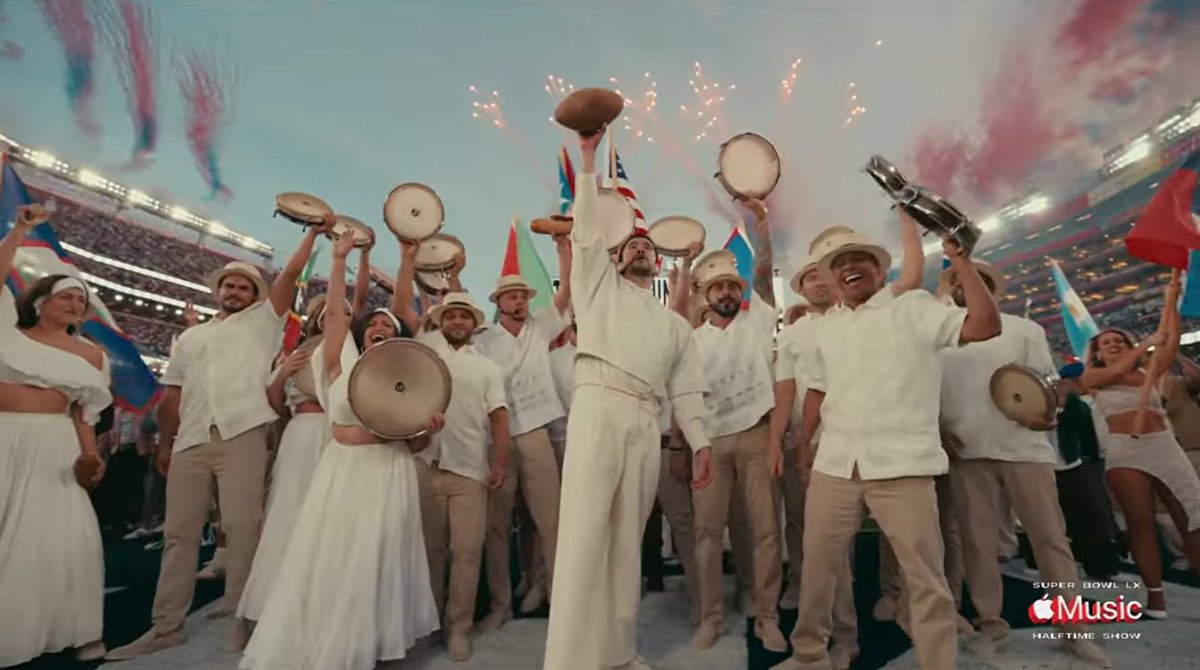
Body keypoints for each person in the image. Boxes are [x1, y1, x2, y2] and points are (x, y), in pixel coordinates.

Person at [774, 229, 1001, 670]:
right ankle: (809, 656)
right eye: (838, 263)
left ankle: (938, 664)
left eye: (860, 259)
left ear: (881, 270)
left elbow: (984, 326)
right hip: (835, 463)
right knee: (817, 570)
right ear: (831, 278)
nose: (849, 267)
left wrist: (963, 265)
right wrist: (804, 446)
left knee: (925, 579)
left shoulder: (913, 308)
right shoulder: (824, 329)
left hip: (904, 463)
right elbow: (818, 391)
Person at [106, 215, 330, 660]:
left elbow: (287, 274)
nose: (234, 292)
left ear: (255, 297)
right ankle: (165, 626)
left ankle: (240, 619)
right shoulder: (189, 338)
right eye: (228, 286)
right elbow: (173, 393)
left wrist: (313, 233)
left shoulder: (265, 324)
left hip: (243, 434)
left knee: (243, 528)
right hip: (190, 438)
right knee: (179, 534)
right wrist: (166, 443)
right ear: (217, 292)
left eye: (244, 287)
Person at [543, 124, 714, 670]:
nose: (640, 249)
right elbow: (588, 234)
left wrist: (702, 442)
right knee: (583, 538)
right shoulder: (597, 289)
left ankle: (616, 655)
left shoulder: (676, 328)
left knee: (624, 547)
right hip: (596, 408)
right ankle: (569, 662)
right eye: (632, 245)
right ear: (617, 261)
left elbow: (686, 389)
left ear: (658, 264)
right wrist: (588, 159)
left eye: (647, 247)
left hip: (646, 426)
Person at [240, 232, 442, 669]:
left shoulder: (411, 376)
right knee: (337, 558)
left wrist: (428, 428)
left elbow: (419, 442)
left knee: (378, 560)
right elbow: (333, 316)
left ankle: (368, 645)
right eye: (373, 324)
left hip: (391, 473)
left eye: (389, 326)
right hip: (345, 473)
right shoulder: (340, 362)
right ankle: (326, 643)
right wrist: (337, 261)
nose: (380, 328)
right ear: (360, 333)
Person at [939, 261, 1110, 667]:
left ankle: (1074, 631)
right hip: (967, 453)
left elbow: (1050, 385)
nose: (966, 285)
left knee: (1050, 539)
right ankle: (991, 626)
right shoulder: (939, 336)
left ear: (990, 287)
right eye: (958, 280)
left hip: (1024, 448)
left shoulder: (1024, 329)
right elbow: (929, 392)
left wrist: (1050, 409)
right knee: (979, 546)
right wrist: (942, 433)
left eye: (975, 279)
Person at [0, 205, 112, 666]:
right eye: (67, 296)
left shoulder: (91, 355)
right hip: (4, 439)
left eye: (81, 301)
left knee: (62, 541)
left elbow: (83, 415)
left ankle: (76, 628)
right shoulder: (7, 333)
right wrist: (21, 229)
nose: (75, 304)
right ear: (41, 299)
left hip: (53, 448)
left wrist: (91, 461)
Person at [688, 200, 786, 652]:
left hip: (756, 433)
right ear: (705, 295)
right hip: (709, 442)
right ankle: (710, 617)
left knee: (767, 530)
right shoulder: (690, 340)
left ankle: (766, 616)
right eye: (717, 287)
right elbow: (682, 397)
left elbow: (764, 271)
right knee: (708, 533)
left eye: (732, 285)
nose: (726, 292)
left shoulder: (757, 318)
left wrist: (760, 224)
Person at [1082, 285, 1200, 618]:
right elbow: (1118, 372)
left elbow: (1171, 340)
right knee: (1140, 522)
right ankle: (1155, 595)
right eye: (1106, 342)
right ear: (1097, 354)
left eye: (1119, 339)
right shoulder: (1094, 376)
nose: (1114, 343)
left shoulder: (1149, 373)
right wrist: (1146, 343)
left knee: (1191, 517)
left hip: (1164, 445)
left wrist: (1169, 301)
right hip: (1125, 452)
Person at [235, 293, 354, 623]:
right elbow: (274, 405)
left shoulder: (354, 352)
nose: (333, 318)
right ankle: (277, 602)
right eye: (328, 313)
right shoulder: (298, 353)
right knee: (291, 508)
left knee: (331, 515)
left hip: (339, 437)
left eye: (344, 314)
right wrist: (284, 373)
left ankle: (324, 600)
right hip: (302, 433)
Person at [473, 246, 571, 624]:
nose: (519, 301)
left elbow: (566, 293)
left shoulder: (541, 326)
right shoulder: (483, 340)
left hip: (535, 432)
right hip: (497, 438)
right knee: (498, 527)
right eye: (511, 296)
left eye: (523, 296)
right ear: (498, 302)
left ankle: (554, 595)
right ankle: (500, 606)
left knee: (551, 520)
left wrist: (563, 250)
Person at [414, 291, 508, 660]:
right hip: (425, 463)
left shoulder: (488, 368)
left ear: (474, 325)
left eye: (463, 317)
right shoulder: (424, 358)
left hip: (470, 469)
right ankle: (428, 625)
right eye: (450, 316)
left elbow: (499, 416)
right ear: (440, 321)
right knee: (429, 554)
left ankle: (458, 628)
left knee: (466, 553)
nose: (456, 322)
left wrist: (498, 462)